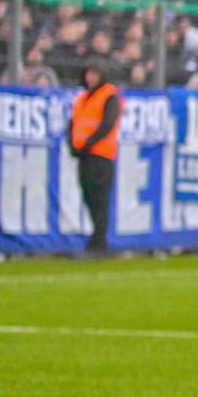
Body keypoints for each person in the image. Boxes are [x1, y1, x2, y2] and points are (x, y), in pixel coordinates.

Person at [69, 65, 120, 256]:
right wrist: (73, 145)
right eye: (88, 73)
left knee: (100, 199)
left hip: (101, 155)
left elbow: (108, 123)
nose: (90, 78)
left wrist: (88, 143)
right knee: (89, 196)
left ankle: (99, 242)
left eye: (94, 74)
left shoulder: (109, 95)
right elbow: (74, 123)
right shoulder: (82, 98)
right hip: (85, 155)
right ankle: (97, 240)